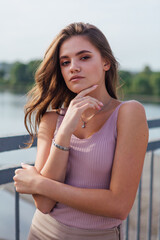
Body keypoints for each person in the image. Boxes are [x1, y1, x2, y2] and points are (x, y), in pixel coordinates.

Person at [13, 22, 148, 240]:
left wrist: (39, 183)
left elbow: (119, 206)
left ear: (106, 62)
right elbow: (44, 204)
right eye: (65, 62)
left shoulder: (129, 113)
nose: (73, 67)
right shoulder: (51, 119)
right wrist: (64, 130)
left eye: (84, 57)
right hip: (41, 232)